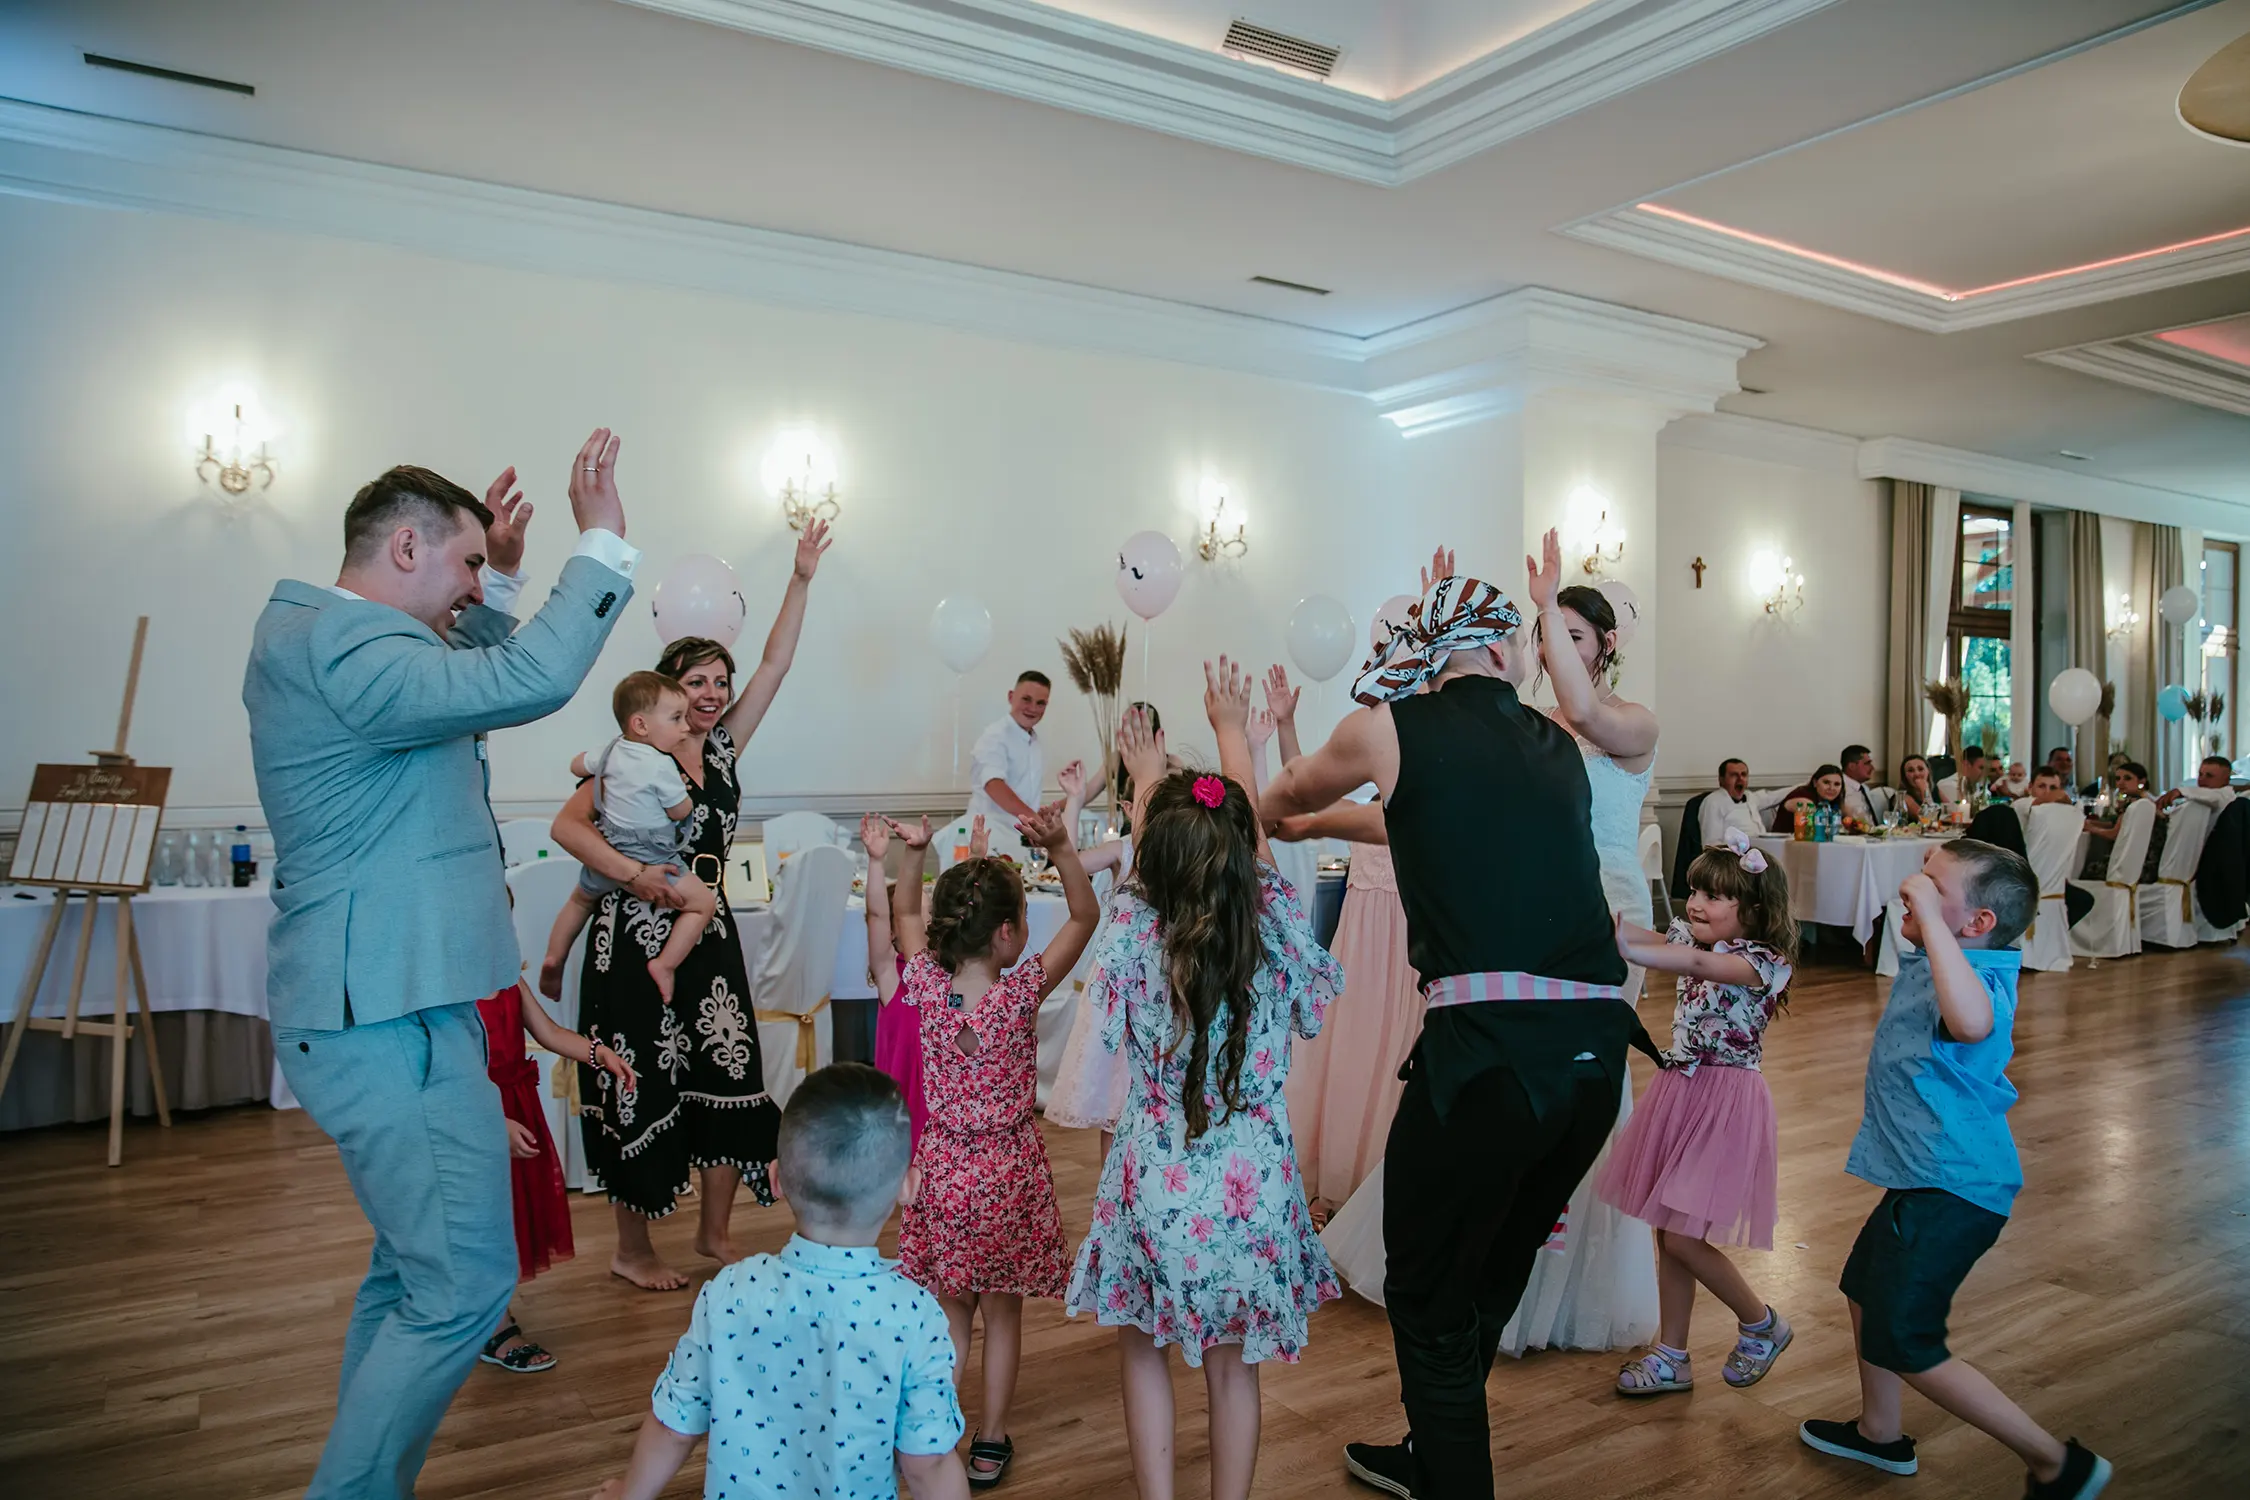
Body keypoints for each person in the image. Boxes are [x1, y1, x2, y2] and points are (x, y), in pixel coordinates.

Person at [244, 430, 637, 1497]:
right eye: (463, 564)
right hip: (385, 1009)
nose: (472, 586)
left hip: (406, 1002)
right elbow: (523, 679)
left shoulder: (342, 642)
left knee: (415, 1273)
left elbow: (463, 681)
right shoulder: (342, 645)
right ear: (406, 548)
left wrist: (499, 575)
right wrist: (602, 542)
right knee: (464, 1286)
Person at [1259, 563, 1655, 1500]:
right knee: (1492, 1273)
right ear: (1506, 652)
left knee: (1425, 1287)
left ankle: (1452, 1478)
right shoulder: (1561, 747)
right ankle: (1431, 1453)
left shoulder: (1389, 728)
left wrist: (1274, 809)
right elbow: (1431, 820)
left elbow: (1289, 793)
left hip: (1488, 1059)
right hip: (1594, 1057)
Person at [1066, 659, 1343, 1500]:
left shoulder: (1130, 929)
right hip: (1251, 1179)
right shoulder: (1273, 924)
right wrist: (1230, 735)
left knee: (1143, 1347)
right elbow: (1258, 870)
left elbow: (1140, 891)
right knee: (1233, 1369)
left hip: (1156, 1172)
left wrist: (1149, 778)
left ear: (1150, 861)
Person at [556, 520, 831, 1289]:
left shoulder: (723, 749)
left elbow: (775, 663)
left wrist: (801, 578)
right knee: (637, 1079)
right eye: (697, 683)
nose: (712, 695)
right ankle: (632, 1249)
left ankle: (714, 1234)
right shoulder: (633, 756)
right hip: (632, 936)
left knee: (730, 1072)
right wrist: (634, 876)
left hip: (708, 934)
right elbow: (568, 828)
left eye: (720, 683)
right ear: (668, 689)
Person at [1800, 842, 2113, 1498]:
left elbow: (1970, 1023)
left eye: (1931, 887)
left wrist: (1931, 918)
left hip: (1953, 1189)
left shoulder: (1979, 982)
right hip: (1923, 1179)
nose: (1911, 888)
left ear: (1976, 925)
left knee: (1905, 1340)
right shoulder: (1944, 959)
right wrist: (1931, 906)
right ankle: (1879, 1432)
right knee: (1865, 1291)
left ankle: (2057, 1463)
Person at [594, 1064, 972, 1500]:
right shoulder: (915, 1315)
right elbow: (928, 1464)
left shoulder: (729, 1292)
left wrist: (629, 1494)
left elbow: (675, 1425)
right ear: (909, 1187)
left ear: (775, 1180)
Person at [896, 803, 1100, 1487]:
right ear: (1007, 931)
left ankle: (935, 1436)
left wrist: (915, 854)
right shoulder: (1020, 995)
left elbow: (904, 913)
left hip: (944, 1168)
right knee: (1003, 1314)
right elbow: (1085, 916)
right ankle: (990, 1440)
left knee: (952, 1312)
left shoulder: (926, 986)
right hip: (1007, 1171)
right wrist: (1062, 847)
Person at [1595, 831, 1797, 1398]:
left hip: (1725, 1102)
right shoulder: (1697, 938)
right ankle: (1672, 1355)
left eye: (1714, 896)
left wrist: (1625, 946)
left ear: (1753, 910)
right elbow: (1657, 939)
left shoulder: (1761, 963)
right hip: (1682, 1089)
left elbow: (1689, 960)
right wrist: (1595, 921)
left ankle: (1761, 1323)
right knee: (1669, 1233)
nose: (1697, 904)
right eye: (1694, 892)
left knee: (1684, 1239)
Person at [475, 979, 635, 1374]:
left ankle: (488, 1314)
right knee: (485, 1217)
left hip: (517, 1105)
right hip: (479, 1112)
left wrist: (598, 1054)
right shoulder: (450, 986)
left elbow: (549, 1032)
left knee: (512, 1213)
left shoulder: (507, 980)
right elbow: (449, 1071)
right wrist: (493, 1121)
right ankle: (494, 1326)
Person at [538, 672, 717, 1004]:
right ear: (641, 725)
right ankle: (665, 965)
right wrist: (683, 795)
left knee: (580, 900)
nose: (684, 727)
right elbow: (680, 811)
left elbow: (577, 766)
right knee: (703, 905)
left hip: (610, 847)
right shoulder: (661, 765)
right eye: (676, 718)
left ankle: (554, 957)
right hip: (652, 854)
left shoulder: (610, 751)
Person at [862, 812, 935, 1148]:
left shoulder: (943, 975)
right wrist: (876, 861)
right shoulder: (892, 975)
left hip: (939, 1110)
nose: (923, 924)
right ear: (894, 930)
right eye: (912, 916)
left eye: (927, 915)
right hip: (901, 1114)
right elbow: (876, 914)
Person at [967, 671, 1080, 833]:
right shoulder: (994, 736)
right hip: (988, 832)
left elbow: (1027, 801)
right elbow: (994, 785)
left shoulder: (1035, 742)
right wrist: (1038, 822)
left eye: (1040, 703)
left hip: (1020, 834)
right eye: (1026, 699)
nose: (1033, 708)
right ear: (1011, 697)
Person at [2078, 762, 2155, 883]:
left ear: (2142, 781)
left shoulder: (2138, 804)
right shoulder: (2142, 800)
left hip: (2138, 865)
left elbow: (2114, 834)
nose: (2121, 783)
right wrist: (2089, 823)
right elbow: (2116, 823)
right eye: (2118, 779)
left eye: (2127, 778)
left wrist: (2090, 828)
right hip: (2145, 861)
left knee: (2087, 867)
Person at [1694, 758, 1791, 852]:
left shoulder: (1750, 797)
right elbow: (1711, 845)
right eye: (1734, 775)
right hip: (1734, 857)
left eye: (1743, 775)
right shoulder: (1713, 802)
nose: (1740, 779)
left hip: (1761, 852)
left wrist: (1800, 786)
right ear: (1721, 779)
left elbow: (1774, 796)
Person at [1771, 764, 1846, 833]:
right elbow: (1808, 810)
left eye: (1837, 784)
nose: (1832, 788)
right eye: (1826, 782)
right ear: (1815, 783)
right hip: (1782, 842)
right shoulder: (1802, 794)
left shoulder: (1831, 802)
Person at [1839, 745, 1891, 825]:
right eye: (1867, 763)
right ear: (1852, 766)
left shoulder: (1864, 788)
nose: (1872, 768)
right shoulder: (1839, 788)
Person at [1892, 754, 1938, 823]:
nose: (1917, 774)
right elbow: (1928, 820)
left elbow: (1951, 813)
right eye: (1910, 770)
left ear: (1928, 771)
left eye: (1921, 769)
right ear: (1905, 776)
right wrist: (1925, 791)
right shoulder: (1903, 798)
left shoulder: (1936, 790)